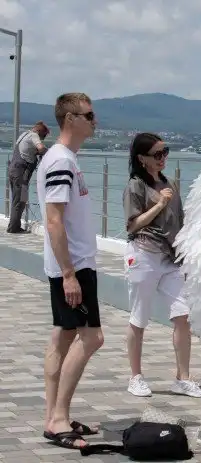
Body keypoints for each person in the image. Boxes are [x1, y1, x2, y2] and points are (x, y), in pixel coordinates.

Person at [37, 93, 103, 449]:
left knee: (62, 337)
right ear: (70, 119)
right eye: (88, 115)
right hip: (74, 266)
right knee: (92, 338)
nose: (94, 120)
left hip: (73, 264)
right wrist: (68, 274)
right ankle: (58, 418)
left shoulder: (64, 159)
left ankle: (53, 416)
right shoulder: (61, 160)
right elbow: (54, 220)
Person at [122, 132, 201, 399]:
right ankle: (135, 377)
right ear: (142, 158)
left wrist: (188, 251)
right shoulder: (136, 186)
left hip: (171, 258)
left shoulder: (170, 183)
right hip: (144, 254)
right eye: (157, 154)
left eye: (165, 151)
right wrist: (160, 204)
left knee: (183, 315)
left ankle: (183, 378)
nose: (163, 158)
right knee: (139, 317)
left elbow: (179, 221)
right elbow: (132, 225)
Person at [7, 121, 49, 233]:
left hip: (13, 170)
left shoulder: (24, 135)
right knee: (20, 200)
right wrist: (49, 152)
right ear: (40, 131)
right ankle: (13, 228)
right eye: (43, 135)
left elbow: (25, 151)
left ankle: (14, 225)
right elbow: (41, 148)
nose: (43, 138)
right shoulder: (34, 135)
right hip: (21, 172)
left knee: (16, 199)